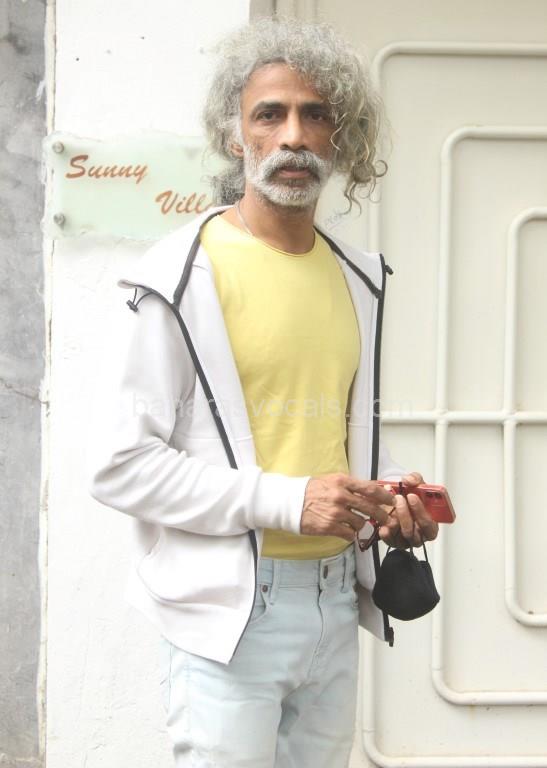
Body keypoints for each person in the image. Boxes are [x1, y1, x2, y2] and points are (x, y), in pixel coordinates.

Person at [88, 16, 439, 768]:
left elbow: (320, 439)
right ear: (233, 134)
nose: (294, 136)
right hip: (229, 613)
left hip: (336, 598)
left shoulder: (357, 276)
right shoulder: (178, 277)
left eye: (316, 115)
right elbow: (120, 466)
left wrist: (385, 501)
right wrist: (290, 501)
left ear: (341, 137)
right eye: (269, 114)